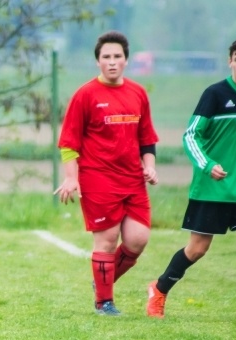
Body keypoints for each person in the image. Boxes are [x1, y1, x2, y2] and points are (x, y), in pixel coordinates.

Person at [146, 37, 236, 322]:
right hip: (211, 188)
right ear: (230, 61)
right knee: (198, 249)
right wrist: (208, 165)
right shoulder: (214, 94)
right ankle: (159, 288)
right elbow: (191, 135)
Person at [55, 31, 159, 316]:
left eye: (117, 56)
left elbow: (147, 138)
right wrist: (71, 177)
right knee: (107, 239)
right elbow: (68, 143)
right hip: (98, 176)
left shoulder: (138, 93)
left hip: (133, 180)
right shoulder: (85, 95)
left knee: (137, 240)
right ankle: (104, 302)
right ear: (98, 62)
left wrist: (149, 165)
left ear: (126, 60)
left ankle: (101, 282)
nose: (112, 62)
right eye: (106, 57)